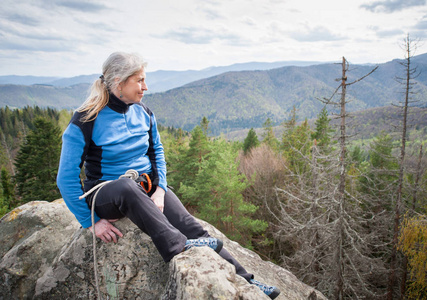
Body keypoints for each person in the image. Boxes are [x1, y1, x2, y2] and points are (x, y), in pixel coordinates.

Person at [56, 52, 280, 299]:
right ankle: (178, 245)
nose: (145, 87)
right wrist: (91, 222)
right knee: (126, 188)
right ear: (119, 82)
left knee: (194, 228)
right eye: (139, 80)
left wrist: (161, 188)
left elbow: (157, 152)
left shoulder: (143, 112)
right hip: (107, 193)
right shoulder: (86, 119)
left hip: (147, 186)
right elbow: (65, 178)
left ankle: (249, 283)